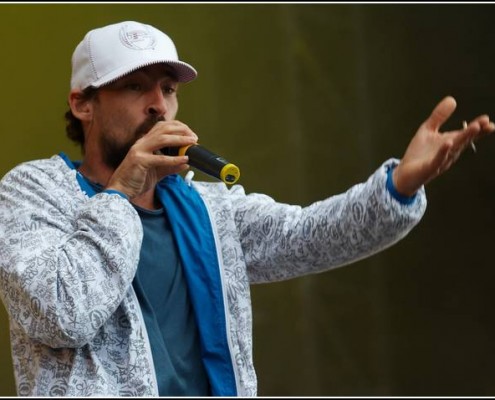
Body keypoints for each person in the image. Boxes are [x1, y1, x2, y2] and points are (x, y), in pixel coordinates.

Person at [0, 20, 493, 397]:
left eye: (168, 90)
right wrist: (123, 190)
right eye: (135, 87)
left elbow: (307, 236)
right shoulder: (32, 193)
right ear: (83, 104)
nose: (159, 105)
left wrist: (400, 184)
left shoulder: (205, 207)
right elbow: (60, 313)